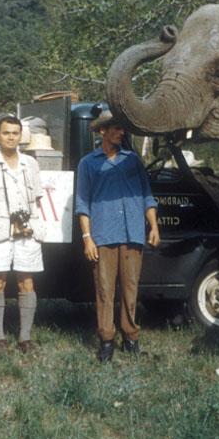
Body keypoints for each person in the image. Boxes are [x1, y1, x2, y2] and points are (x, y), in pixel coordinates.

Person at [75, 110, 160, 362]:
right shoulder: (88, 163)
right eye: (116, 129)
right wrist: (87, 238)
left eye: (123, 129)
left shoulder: (132, 161)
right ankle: (107, 341)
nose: (122, 133)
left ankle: (131, 339)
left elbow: (147, 196)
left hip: (133, 232)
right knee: (105, 290)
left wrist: (153, 226)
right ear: (103, 131)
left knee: (130, 289)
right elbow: (82, 204)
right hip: (103, 235)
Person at [0, 116, 44, 355]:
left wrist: (27, 222)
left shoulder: (31, 164)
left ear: (21, 136)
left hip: (26, 232)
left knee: (26, 281)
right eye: (6, 133)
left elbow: (38, 198)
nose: (11, 137)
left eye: (15, 133)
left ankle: (25, 338)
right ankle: (0, 338)